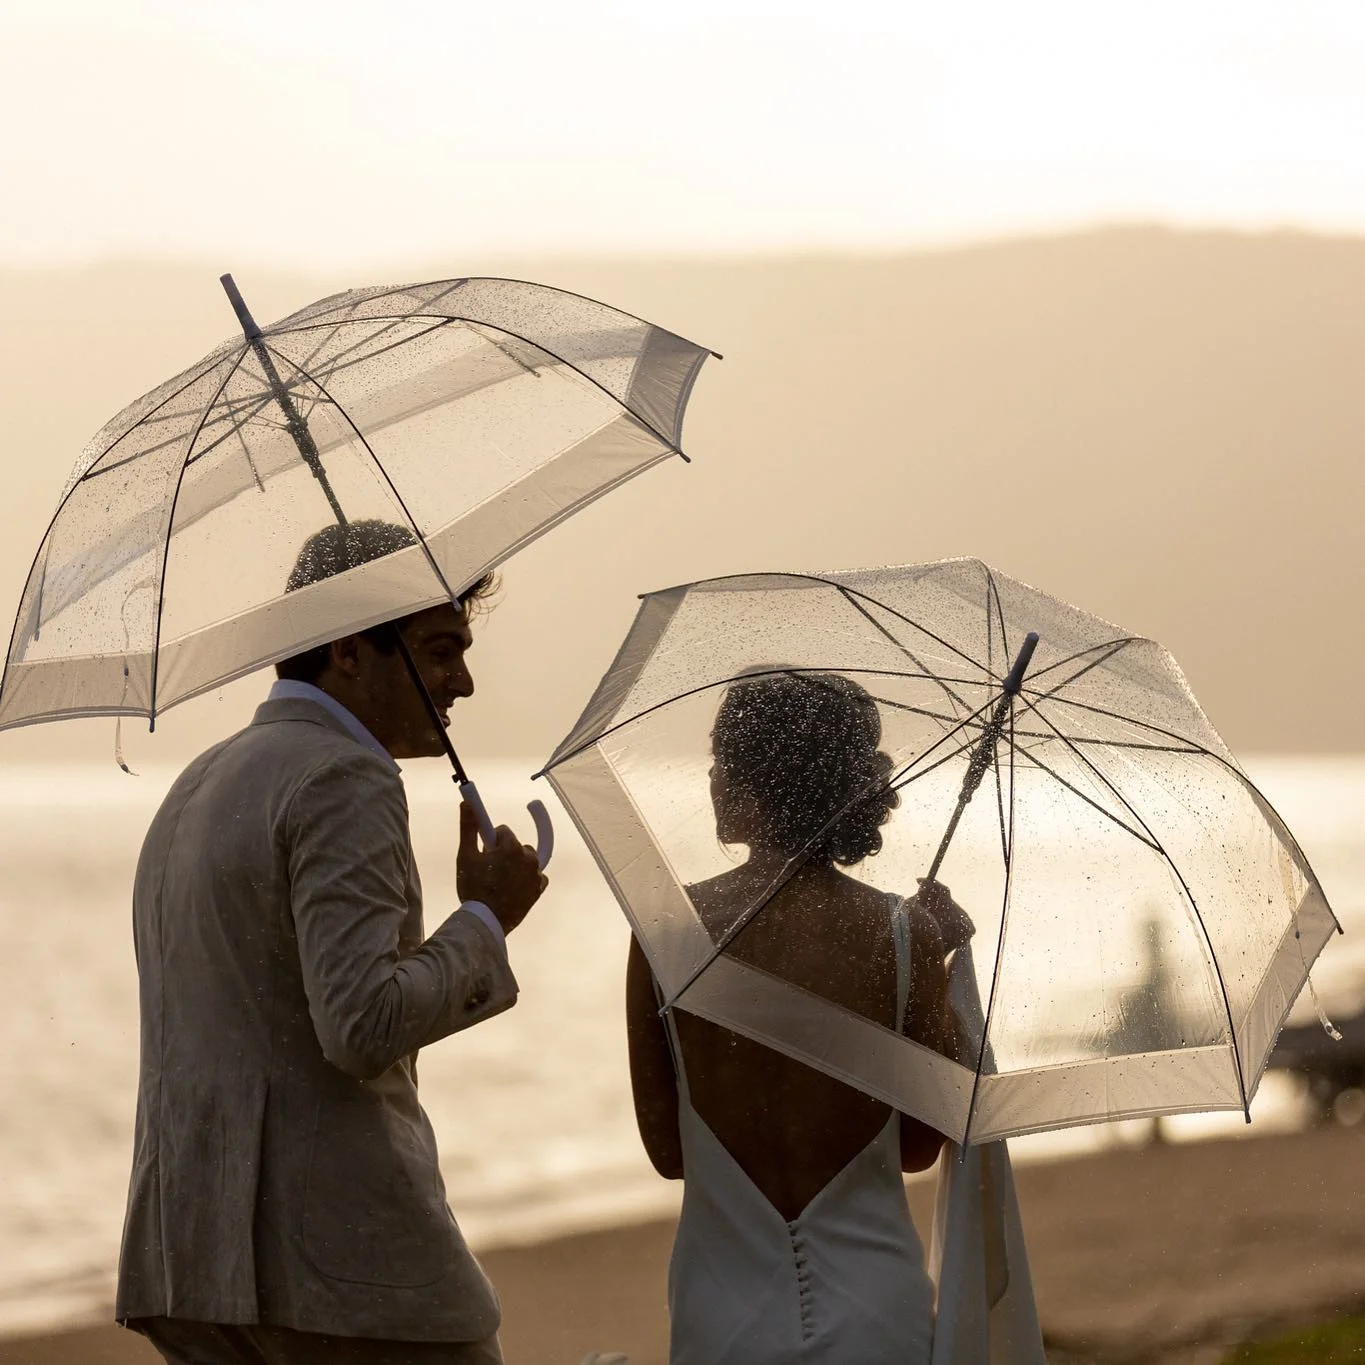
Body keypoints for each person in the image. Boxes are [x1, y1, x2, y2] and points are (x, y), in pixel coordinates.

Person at [116, 520, 547, 1365]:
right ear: (349, 649)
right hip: (342, 1274)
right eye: (439, 651)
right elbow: (361, 1025)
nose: (463, 681)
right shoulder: (344, 774)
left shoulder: (199, 782)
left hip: (186, 1262)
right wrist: (485, 919)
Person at [626, 672, 970, 1365]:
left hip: (720, 1312)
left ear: (758, 781)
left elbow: (668, 1152)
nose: (713, 778)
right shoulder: (902, 935)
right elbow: (916, 1148)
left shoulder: (666, 931)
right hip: (878, 1312)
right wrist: (932, 965)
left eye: (723, 760)